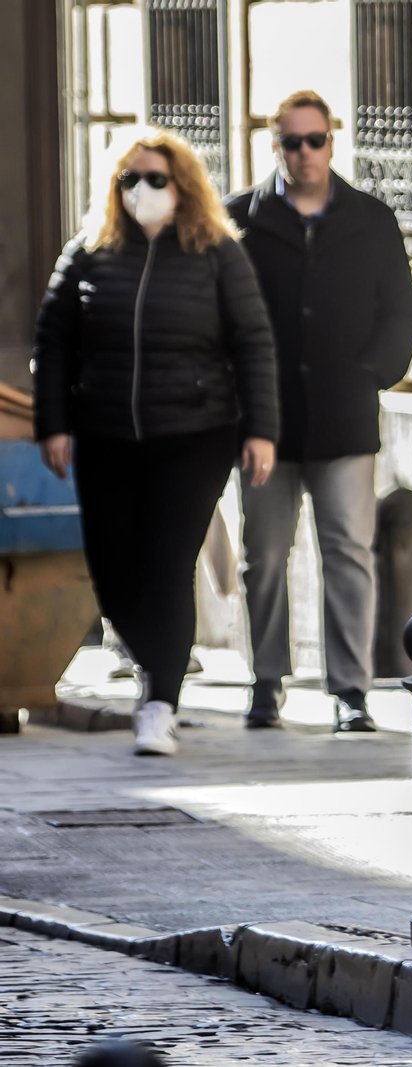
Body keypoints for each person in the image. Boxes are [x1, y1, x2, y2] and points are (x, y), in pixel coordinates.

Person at [33, 127, 278, 756]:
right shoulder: (88, 251)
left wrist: (260, 431)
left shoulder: (218, 252)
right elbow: (54, 340)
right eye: (130, 179)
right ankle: (155, 665)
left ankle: (160, 702)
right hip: (107, 431)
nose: (143, 190)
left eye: (156, 178)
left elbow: (253, 342)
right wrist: (53, 422)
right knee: (114, 571)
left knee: (169, 564)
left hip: (193, 434)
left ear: (183, 186)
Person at [226, 90, 412, 733]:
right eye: (291, 142)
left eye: (316, 140)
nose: (304, 153)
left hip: (344, 418)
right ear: (274, 145)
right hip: (265, 423)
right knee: (265, 554)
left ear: (332, 142)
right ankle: (265, 680)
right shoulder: (240, 221)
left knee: (347, 552)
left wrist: (373, 369)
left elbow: (402, 306)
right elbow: (219, 316)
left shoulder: (370, 217)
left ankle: (350, 690)